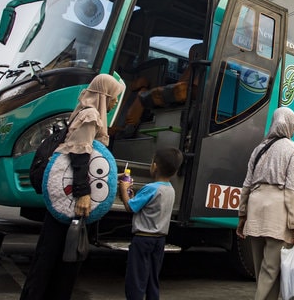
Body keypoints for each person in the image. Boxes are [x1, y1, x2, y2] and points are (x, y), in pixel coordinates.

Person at [20, 73, 125, 300]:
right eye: (114, 96)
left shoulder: (83, 111)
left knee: (54, 255)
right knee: (58, 258)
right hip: (73, 201)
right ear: (104, 95)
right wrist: (83, 194)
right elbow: (79, 155)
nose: (115, 102)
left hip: (68, 200)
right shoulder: (90, 115)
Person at [236, 107, 294, 300]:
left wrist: (242, 215)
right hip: (277, 213)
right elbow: (292, 189)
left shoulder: (258, 149)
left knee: (262, 273)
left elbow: (247, 184)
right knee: (270, 271)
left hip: (255, 210)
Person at [118, 147, 183, 300]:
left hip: (142, 239)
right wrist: (131, 195)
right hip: (159, 240)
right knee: (152, 278)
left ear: (154, 166)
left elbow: (130, 207)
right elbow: (141, 205)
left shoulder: (150, 188)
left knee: (136, 278)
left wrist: (123, 189)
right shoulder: (171, 190)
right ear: (174, 172)